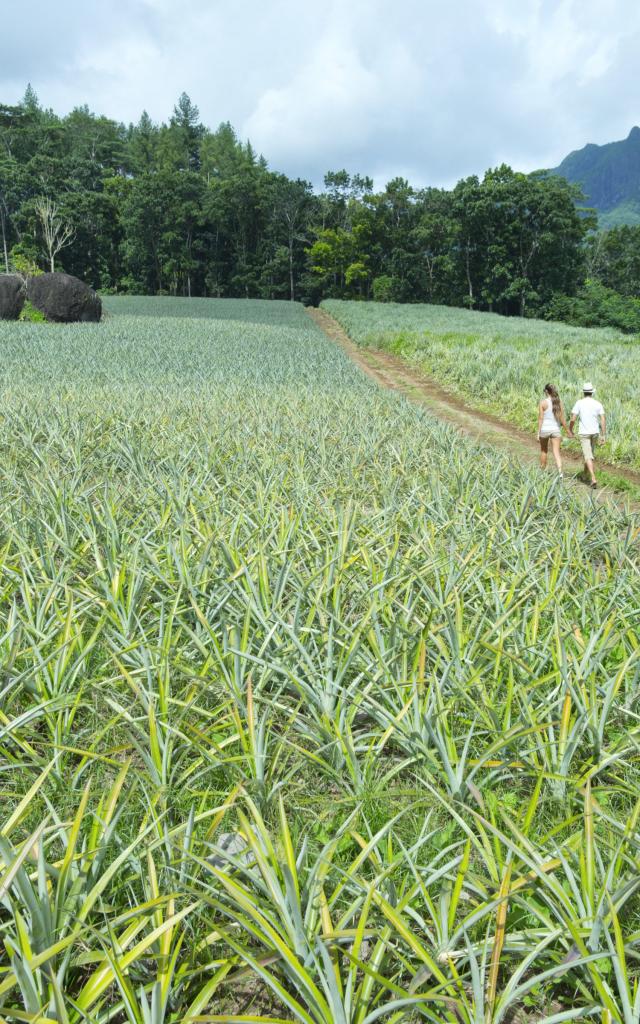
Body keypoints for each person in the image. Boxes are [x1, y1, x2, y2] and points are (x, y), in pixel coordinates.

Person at [569, 382, 606, 489]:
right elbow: (603, 419)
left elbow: (573, 418)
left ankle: (593, 478)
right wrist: (603, 435)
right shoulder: (598, 403)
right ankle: (585, 475)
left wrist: (570, 429)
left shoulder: (579, 403)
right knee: (589, 455)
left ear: (584, 392)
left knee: (588, 455)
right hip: (595, 433)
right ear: (592, 392)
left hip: (584, 433)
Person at [538, 383, 568, 477]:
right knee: (556, 452)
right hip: (556, 430)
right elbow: (562, 418)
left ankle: (542, 472)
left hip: (545, 429)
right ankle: (560, 473)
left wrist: (538, 432)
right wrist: (567, 430)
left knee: (544, 451)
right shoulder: (558, 402)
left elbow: (541, 418)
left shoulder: (543, 403)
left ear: (546, 391)